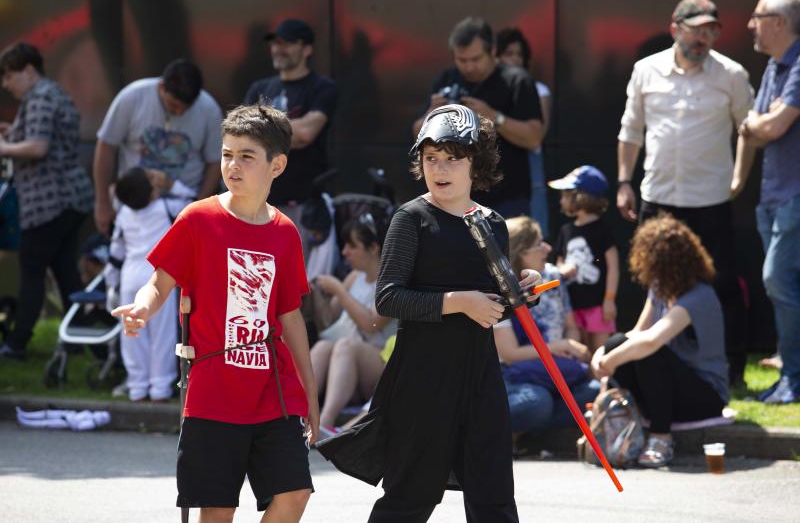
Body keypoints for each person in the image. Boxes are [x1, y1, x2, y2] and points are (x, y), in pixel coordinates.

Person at [318, 104, 542, 523]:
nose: (440, 168)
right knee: (410, 497)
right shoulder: (411, 218)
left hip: (480, 374)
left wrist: (522, 292)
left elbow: (493, 306)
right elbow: (387, 299)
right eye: (431, 158)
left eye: (452, 158)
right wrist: (458, 301)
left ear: (475, 162)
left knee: (494, 496)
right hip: (423, 375)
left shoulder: (491, 222)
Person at [111, 104, 318, 521]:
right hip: (213, 389)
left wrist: (311, 397)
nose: (233, 165)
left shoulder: (285, 232)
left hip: (274, 390)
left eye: (247, 156)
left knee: (295, 494)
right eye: (227, 154)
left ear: (277, 165)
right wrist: (143, 309)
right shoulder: (198, 218)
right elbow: (160, 282)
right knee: (217, 511)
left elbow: (290, 317)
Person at [616, 0, 755, 385]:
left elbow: (751, 129)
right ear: (675, 29)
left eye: (711, 31)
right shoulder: (646, 70)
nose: (704, 39)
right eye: (696, 31)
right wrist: (624, 181)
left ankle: (733, 368)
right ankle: (650, 360)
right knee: (652, 282)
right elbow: (630, 131)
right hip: (658, 195)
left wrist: (739, 178)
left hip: (709, 199)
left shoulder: (732, 74)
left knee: (721, 283)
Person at [591, 214, 728, 468]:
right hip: (669, 389)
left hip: (705, 397)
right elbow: (635, 333)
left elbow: (651, 340)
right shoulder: (659, 288)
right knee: (619, 342)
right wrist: (601, 352)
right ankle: (614, 427)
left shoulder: (700, 296)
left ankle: (661, 438)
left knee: (648, 352)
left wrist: (610, 360)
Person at [0, 42, 93, 360]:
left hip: (48, 202)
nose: (5, 84)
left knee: (32, 270)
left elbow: (38, 148)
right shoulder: (54, 93)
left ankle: (16, 343)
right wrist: (15, 133)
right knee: (65, 269)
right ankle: (78, 338)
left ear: (28, 71)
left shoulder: (38, 97)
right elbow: (48, 139)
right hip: (71, 198)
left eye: (9, 76)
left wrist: (3, 146)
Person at [736, 0, 800, 403]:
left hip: (795, 197)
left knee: (776, 279)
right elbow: (752, 127)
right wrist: (736, 184)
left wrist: (757, 123)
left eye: (757, 16)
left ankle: (794, 377)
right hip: (772, 199)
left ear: (778, 22)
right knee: (784, 284)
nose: (749, 24)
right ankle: (792, 374)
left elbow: (770, 128)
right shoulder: (775, 68)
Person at [412, 17, 543, 218]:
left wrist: (494, 117)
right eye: (461, 60)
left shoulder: (516, 81)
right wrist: (432, 114)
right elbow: (417, 134)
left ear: (492, 52)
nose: (469, 67)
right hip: (454, 201)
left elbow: (534, 137)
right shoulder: (447, 79)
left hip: (507, 200)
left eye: (475, 59)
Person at [494, 216, 597, 452]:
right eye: (539, 244)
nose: (548, 248)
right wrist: (558, 346)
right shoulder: (498, 288)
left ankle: (530, 435)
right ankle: (511, 430)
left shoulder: (552, 276)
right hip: (516, 376)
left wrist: (571, 347)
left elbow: (570, 324)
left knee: (592, 393)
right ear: (520, 252)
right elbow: (510, 354)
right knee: (537, 402)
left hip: (556, 369)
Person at [93, 58, 223, 236]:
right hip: (133, 208)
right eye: (173, 105)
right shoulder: (132, 97)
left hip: (180, 212)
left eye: (185, 109)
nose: (179, 112)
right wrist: (102, 203)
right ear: (162, 87)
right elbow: (106, 146)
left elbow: (215, 162)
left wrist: (198, 208)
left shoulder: (209, 109)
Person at [104, 168, 194, 401]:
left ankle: (136, 387)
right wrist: (172, 185)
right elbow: (194, 202)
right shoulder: (166, 207)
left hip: (129, 276)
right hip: (158, 276)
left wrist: (111, 285)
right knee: (162, 336)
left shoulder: (123, 212)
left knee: (132, 334)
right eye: (153, 181)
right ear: (152, 194)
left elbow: (116, 252)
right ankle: (160, 388)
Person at [244, 18, 337, 242]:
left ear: (307, 49)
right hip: (259, 201)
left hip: (304, 205)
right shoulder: (260, 87)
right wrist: (285, 131)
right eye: (275, 44)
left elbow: (305, 135)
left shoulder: (323, 88)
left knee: (300, 275)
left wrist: (261, 126)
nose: (278, 49)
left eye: (286, 44)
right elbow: (243, 135)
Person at [310, 214, 396, 430]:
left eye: (352, 246)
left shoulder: (392, 280)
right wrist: (315, 295)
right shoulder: (354, 276)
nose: (344, 252)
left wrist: (339, 289)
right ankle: (299, 416)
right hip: (346, 370)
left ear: (373, 248)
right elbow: (328, 322)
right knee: (322, 347)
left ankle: (325, 421)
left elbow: (371, 324)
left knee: (345, 345)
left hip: (381, 366)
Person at [549, 166, 619, 352]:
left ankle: (604, 382)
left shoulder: (602, 229)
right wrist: (563, 269)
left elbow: (613, 266)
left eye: (565, 195)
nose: (561, 200)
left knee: (601, 351)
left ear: (580, 197)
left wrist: (609, 300)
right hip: (573, 305)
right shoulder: (566, 231)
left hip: (598, 305)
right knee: (582, 351)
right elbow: (560, 261)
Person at [495, 28, 553, 237]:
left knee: (532, 227)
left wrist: (498, 118)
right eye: (509, 53)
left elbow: (537, 135)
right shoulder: (488, 88)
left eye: (519, 54)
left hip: (529, 164)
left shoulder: (537, 89)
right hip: (498, 169)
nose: (515, 59)